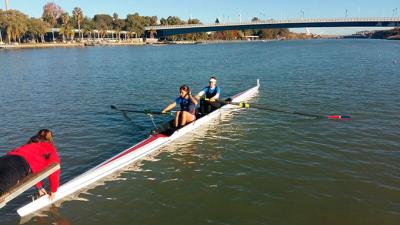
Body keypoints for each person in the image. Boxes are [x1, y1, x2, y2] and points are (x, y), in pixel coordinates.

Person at [0, 129, 60, 200]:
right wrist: (53, 192)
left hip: (5, 158)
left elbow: (35, 168)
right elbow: (54, 171)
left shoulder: (28, 145)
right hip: (19, 165)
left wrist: (39, 187)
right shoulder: (50, 149)